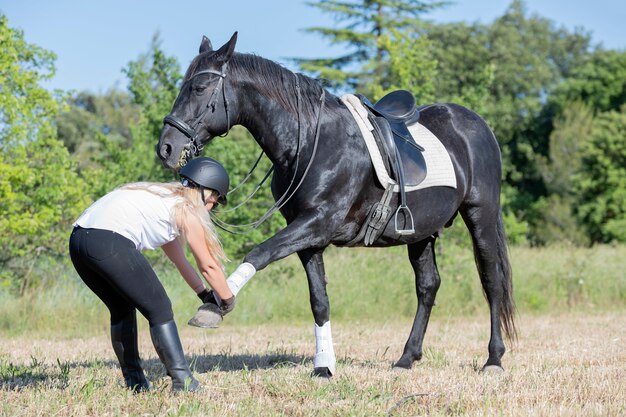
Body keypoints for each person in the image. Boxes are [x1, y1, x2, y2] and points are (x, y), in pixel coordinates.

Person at [68, 157, 235, 393]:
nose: (211, 208)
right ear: (206, 191)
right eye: (214, 202)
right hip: (109, 243)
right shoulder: (185, 209)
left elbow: (181, 261)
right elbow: (208, 266)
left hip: (78, 241)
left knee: (122, 308)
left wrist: (204, 294)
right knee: (160, 308)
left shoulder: (162, 199)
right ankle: (183, 381)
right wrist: (227, 299)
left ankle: (135, 383)